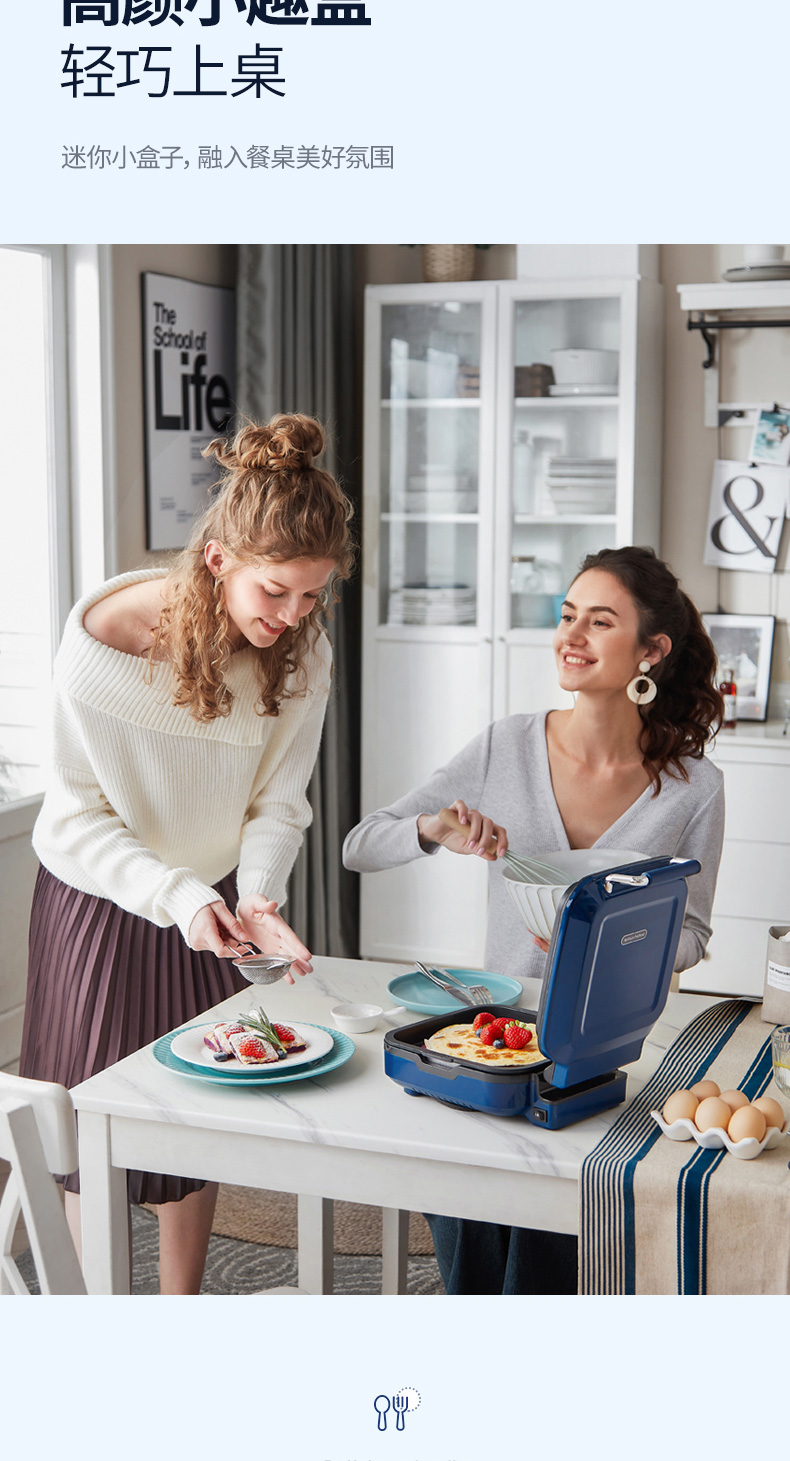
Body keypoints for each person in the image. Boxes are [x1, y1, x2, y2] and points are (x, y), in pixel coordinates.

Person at [20, 412, 354, 1294]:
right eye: (276, 592)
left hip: (211, 899)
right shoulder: (102, 645)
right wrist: (179, 896)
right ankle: (97, 1326)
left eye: (312, 596)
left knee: (194, 1117)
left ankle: (180, 1313)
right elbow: (79, 817)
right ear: (218, 560)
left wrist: (257, 896)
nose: (293, 616)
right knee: (89, 1132)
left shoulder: (302, 653)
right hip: (99, 899)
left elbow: (278, 801)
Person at [343, 545, 725, 1294]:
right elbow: (361, 845)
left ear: (651, 650)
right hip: (490, 1040)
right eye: (567, 615)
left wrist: (613, 945)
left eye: (600, 622)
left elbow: (693, 933)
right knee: (471, 1264)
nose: (571, 636)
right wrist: (434, 828)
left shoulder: (694, 787)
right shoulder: (506, 745)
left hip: (603, 1054)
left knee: (544, 1277)